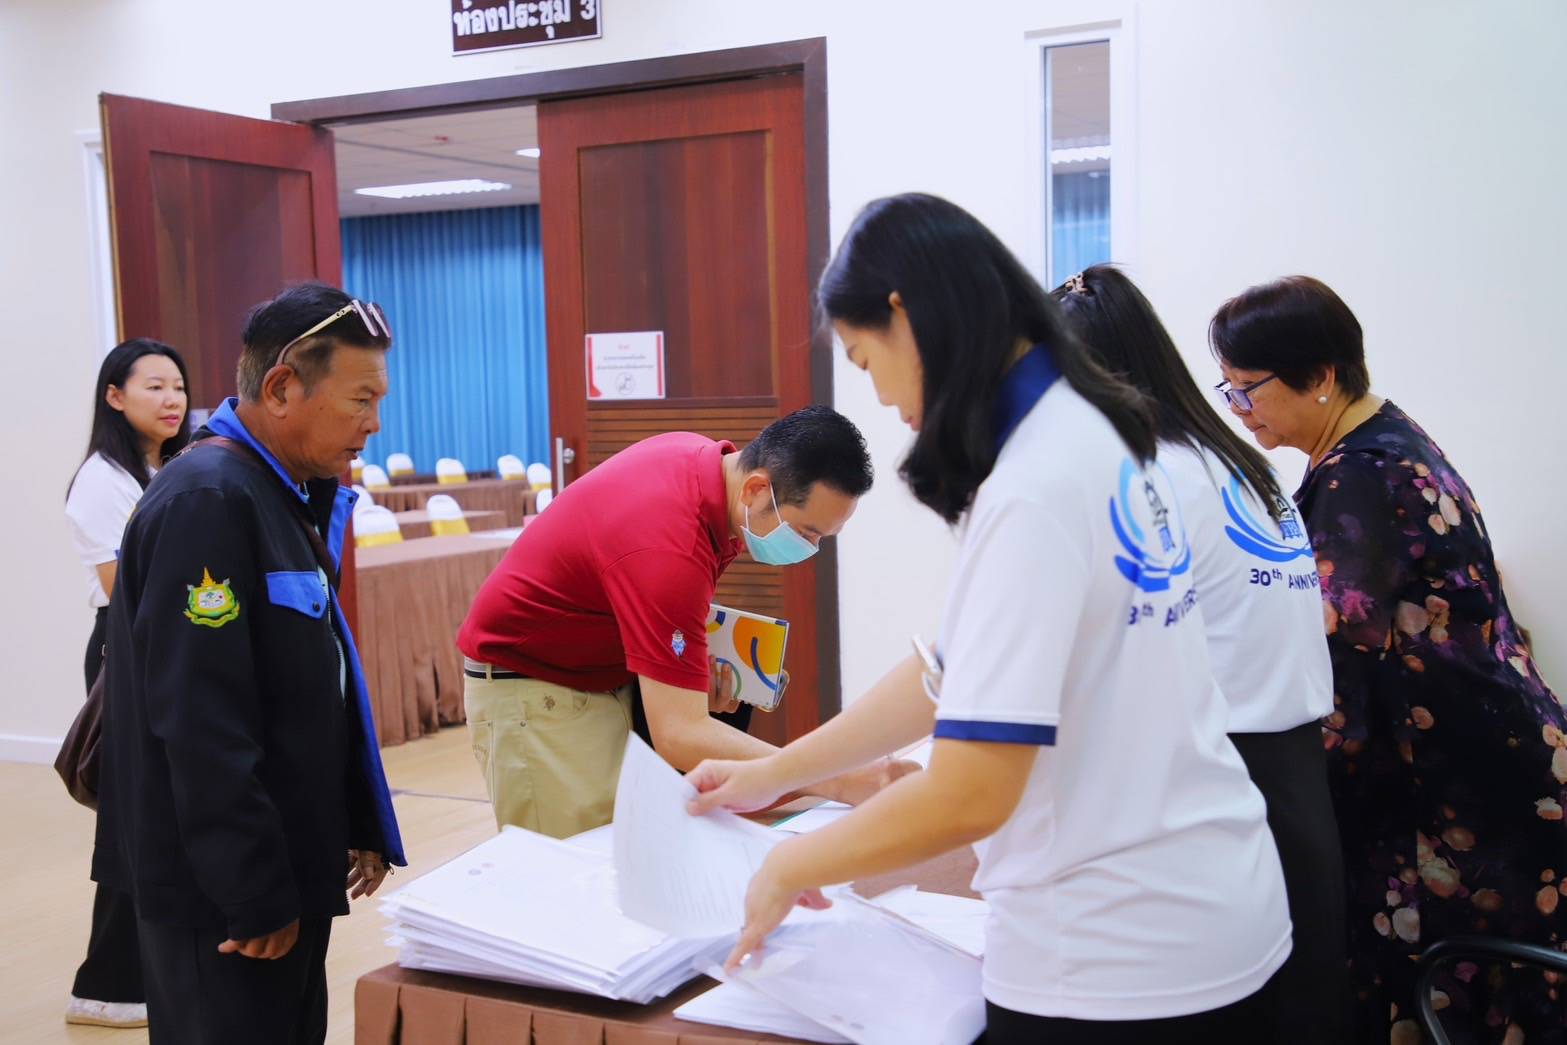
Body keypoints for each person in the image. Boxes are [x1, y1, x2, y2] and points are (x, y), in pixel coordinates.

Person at [686, 194, 1292, 1044]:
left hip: (1118, 955)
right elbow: (944, 671)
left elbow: (970, 791)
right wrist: (777, 773)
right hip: (1206, 901)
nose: (881, 396)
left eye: (864, 359)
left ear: (904, 314)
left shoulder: (1031, 486)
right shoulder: (1092, 434)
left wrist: (793, 860)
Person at [1210, 275, 1567, 1044]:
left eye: (1247, 388)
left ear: (1320, 375)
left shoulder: (1362, 473)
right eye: (1227, 389)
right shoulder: (1383, 440)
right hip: (1487, 761)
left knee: (1444, 998)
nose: (1237, 408)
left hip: (1457, 792)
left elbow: (1319, 627)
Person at [92, 283, 406, 1044]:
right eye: (360, 399)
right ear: (282, 387)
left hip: (284, 860)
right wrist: (252, 888)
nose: (373, 422)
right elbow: (200, 721)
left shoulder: (281, 489)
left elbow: (314, 681)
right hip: (224, 890)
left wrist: (351, 818)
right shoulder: (208, 499)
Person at [1054, 265, 1346, 1042]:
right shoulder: (1239, 466)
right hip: (1296, 778)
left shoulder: (1149, 480)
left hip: (1225, 784)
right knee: (1302, 1003)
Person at [457, 405, 911, 840]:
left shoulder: (700, 464)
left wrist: (687, 676)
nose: (810, 549)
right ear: (756, 489)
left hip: (594, 675)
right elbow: (679, 734)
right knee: (577, 873)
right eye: (806, 532)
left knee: (634, 853)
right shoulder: (668, 546)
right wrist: (836, 779)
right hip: (536, 690)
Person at [62, 338, 190, 1029]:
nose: (173, 400)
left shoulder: (165, 467)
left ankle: (144, 974)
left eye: (178, 387)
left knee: (155, 817)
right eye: (154, 387)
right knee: (132, 818)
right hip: (126, 648)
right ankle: (104, 986)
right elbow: (129, 588)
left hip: (161, 644)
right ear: (115, 396)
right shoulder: (101, 480)